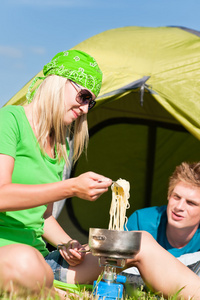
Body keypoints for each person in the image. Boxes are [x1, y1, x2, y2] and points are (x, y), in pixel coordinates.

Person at [0, 49, 112, 293]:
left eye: (90, 103)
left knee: (122, 253)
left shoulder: (59, 146)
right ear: (58, 82)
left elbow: (43, 216)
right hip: (10, 257)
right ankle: (53, 291)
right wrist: (71, 187)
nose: (85, 109)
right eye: (83, 96)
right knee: (25, 261)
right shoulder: (9, 120)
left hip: (40, 260)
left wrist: (66, 243)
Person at [123, 162, 200, 285]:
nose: (179, 207)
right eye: (176, 197)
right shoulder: (141, 221)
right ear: (168, 196)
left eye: (191, 203)